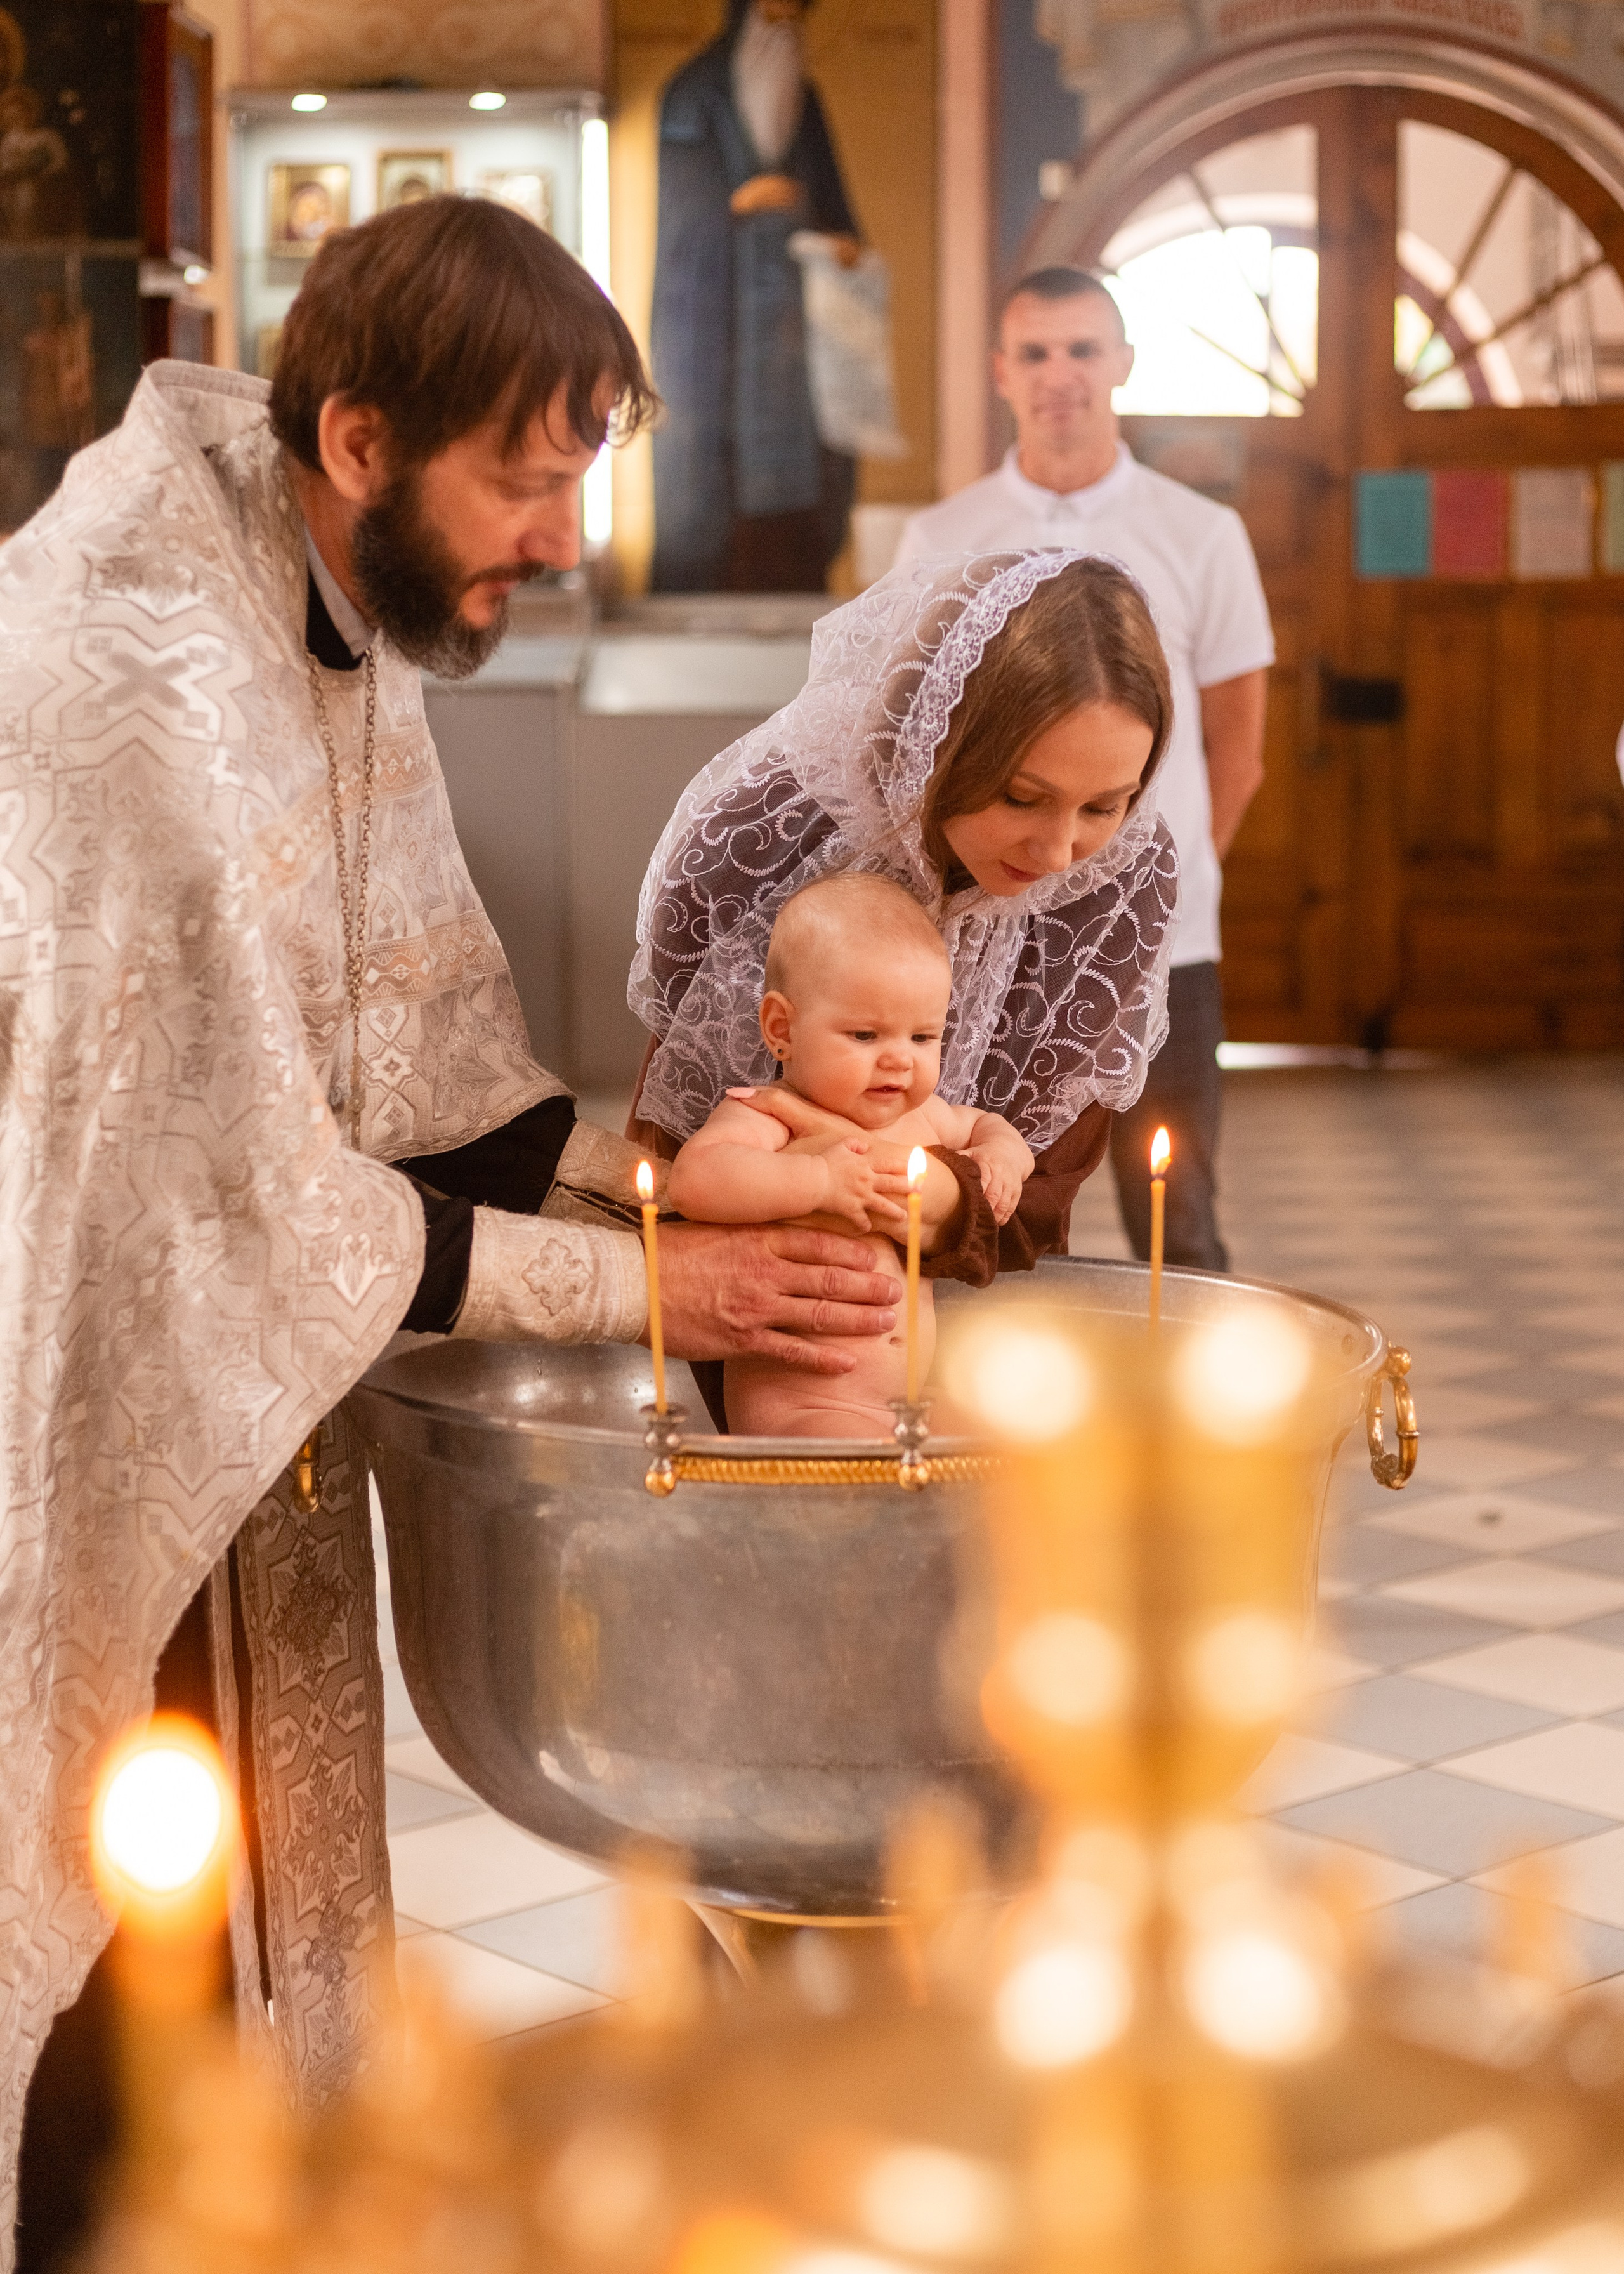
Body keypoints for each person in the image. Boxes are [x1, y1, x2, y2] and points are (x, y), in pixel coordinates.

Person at [0, 194, 905, 2273]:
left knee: (245, 1946)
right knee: (110, 1965)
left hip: (245, 1389)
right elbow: (227, 1200)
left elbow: (410, 1074)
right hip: (74, 1393)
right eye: (530, 469)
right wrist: (684, 1284)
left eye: (585, 466)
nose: (568, 531)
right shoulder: (149, 691)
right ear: (361, 439)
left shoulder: (324, 580)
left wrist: (673, 1171)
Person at [628, 549, 1179, 1405]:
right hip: (770, 1336)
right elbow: (676, 1159)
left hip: (968, 1330)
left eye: (1104, 806)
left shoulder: (1110, 891)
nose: (1060, 852)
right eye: (1023, 798)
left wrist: (948, 1201)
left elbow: (1040, 1189)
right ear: (940, 745)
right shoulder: (761, 836)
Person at [894, 265, 1275, 1272]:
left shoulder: (1203, 533)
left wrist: (1160, 886)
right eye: (1036, 352)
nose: (1060, 373)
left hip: (1166, 943)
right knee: (988, 1200)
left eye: (1082, 349)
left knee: (1178, 1211)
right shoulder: (942, 537)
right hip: (993, 936)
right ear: (1002, 373)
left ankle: (1190, 1425)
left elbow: (1239, 749)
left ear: (1122, 365)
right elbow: (910, 742)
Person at [668, 874, 1035, 1436]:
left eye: (922, 1038)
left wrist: (1003, 1156)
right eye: (866, 1036)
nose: (899, 1062)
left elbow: (990, 1125)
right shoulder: (770, 1114)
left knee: (1013, 1446)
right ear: (781, 1029)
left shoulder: (925, 1116)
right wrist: (816, 1180)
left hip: (904, 1403)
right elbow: (697, 1179)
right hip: (806, 1409)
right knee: (863, 1483)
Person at [650, 0, 861, 593]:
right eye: (774, 14)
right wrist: (738, 205)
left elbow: (838, 209)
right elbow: (681, 218)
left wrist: (842, 243)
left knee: (797, 505)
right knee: (705, 485)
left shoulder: (807, 100)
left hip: (792, 341)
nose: (785, 28)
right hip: (715, 327)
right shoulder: (693, 93)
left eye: (796, 17)